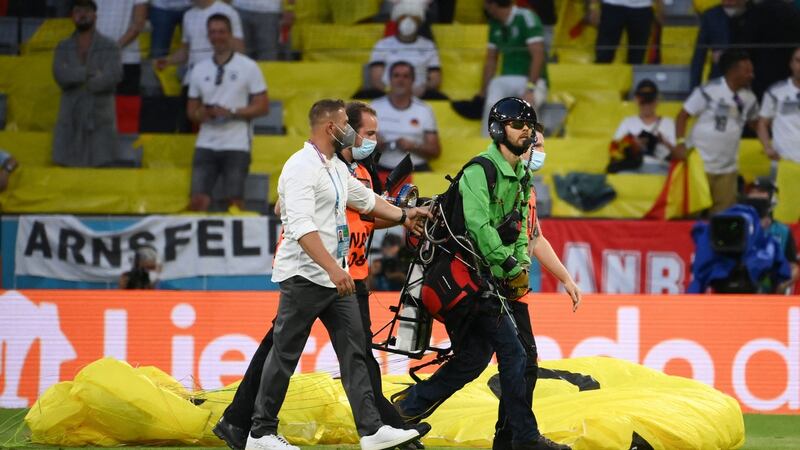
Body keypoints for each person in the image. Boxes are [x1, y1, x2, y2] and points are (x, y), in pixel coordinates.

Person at [211, 101, 429, 450]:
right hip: (305, 276)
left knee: (355, 351)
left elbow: (366, 199)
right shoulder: (300, 167)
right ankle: (261, 432)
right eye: (345, 123)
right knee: (284, 354)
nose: (350, 131)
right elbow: (299, 226)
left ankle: (371, 430)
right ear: (331, 127)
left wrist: (406, 215)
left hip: (333, 277)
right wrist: (332, 267)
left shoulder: (334, 168)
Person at [394, 98, 574, 450]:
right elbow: (478, 227)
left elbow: (523, 230)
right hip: (464, 279)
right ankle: (521, 438)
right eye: (518, 125)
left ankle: (402, 415)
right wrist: (508, 264)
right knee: (517, 355)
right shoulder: (480, 171)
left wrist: (516, 263)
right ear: (498, 129)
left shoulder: (522, 177)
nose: (527, 132)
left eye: (530, 126)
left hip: (483, 281)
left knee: (473, 360)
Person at [186, 13, 269, 212]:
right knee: (198, 200)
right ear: (208, 35)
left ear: (230, 34)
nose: (217, 36)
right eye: (213, 32)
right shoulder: (199, 69)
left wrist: (230, 112)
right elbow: (191, 110)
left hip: (237, 142)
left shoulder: (248, 67)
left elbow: (263, 106)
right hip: (205, 141)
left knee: (235, 201)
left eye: (221, 31)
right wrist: (203, 114)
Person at [675, 50, 758, 214]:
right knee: (693, 215)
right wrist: (680, 143)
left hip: (727, 168)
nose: (752, 75)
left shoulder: (749, 98)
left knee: (723, 219)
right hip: (700, 165)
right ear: (733, 71)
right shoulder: (708, 90)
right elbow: (682, 116)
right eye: (747, 71)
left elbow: (755, 124)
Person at [52, 0, 122, 168]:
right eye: (77, 11)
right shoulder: (62, 46)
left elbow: (113, 76)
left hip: (99, 116)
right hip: (71, 114)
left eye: (87, 10)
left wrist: (76, 76)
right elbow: (60, 75)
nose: (82, 14)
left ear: (95, 16)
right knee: (67, 171)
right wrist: (89, 73)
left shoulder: (110, 46)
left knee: (101, 172)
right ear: (72, 17)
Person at [479, 0, 549, 136]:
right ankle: (489, 143)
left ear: (492, 5)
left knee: (527, 103)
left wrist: (530, 89)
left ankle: (533, 146)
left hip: (533, 79)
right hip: (508, 78)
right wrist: (482, 92)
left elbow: (538, 55)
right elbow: (491, 61)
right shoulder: (494, 23)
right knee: (494, 88)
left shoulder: (526, 17)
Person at [155, 0, 244, 92]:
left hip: (219, 79)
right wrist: (168, 60)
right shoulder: (188, 15)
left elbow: (239, 49)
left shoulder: (228, 12)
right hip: (193, 78)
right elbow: (185, 51)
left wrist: (221, 38)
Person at [372, 61, 441, 179]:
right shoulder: (374, 107)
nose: (400, 80)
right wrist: (373, 142)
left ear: (413, 80)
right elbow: (357, 144)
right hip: (381, 167)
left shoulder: (424, 109)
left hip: (416, 168)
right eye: (396, 75)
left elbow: (435, 151)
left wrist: (413, 146)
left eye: (406, 76)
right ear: (389, 79)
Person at [363, 0, 444, 100]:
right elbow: (376, 78)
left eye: (413, 18)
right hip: (388, 94)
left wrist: (424, 88)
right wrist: (392, 92)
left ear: (419, 21)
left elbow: (435, 78)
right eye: (403, 17)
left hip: (420, 95)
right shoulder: (383, 44)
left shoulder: (428, 45)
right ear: (397, 19)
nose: (408, 21)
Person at [743, 178, 799, 294]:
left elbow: (793, 266)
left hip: (771, 293)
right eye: (752, 192)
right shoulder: (737, 225)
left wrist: (783, 285)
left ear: (772, 199)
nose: (755, 195)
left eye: (760, 191)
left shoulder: (782, 231)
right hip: (741, 291)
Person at [609, 79, 676, 173]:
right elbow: (614, 149)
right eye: (643, 101)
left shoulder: (668, 123)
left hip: (660, 166)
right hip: (633, 166)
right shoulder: (627, 122)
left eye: (650, 101)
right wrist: (632, 143)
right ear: (636, 100)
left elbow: (678, 155)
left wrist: (663, 142)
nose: (646, 105)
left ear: (657, 101)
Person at [689, 0, 746, 90]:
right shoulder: (710, 16)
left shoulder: (752, 14)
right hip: (718, 79)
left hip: (745, 80)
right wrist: (694, 90)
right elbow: (699, 56)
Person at [757, 47, 800, 165]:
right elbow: (762, 123)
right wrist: (767, 147)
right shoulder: (775, 92)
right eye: (798, 61)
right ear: (791, 64)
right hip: (783, 161)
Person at [585, 0, 663, 64]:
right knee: (604, 54)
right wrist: (593, 6)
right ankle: (600, 81)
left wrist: (660, 7)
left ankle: (633, 82)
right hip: (611, 7)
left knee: (637, 56)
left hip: (642, 8)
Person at [95, 0, 147, 95]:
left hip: (127, 59)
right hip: (98, 58)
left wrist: (113, 48)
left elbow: (139, 23)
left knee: (125, 105)